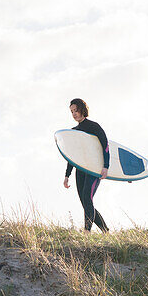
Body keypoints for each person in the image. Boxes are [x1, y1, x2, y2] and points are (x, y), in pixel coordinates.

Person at [62, 98, 110, 233]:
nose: (74, 114)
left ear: (83, 109)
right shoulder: (73, 131)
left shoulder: (94, 127)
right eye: (71, 112)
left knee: (88, 199)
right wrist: (67, 175)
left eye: (76, 110)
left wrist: (106, 166)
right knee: (85, 202)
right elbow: (72, 156)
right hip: (81, 170)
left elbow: (105, 147)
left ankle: (86, 232)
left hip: (94, 169)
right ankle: (106, 230)